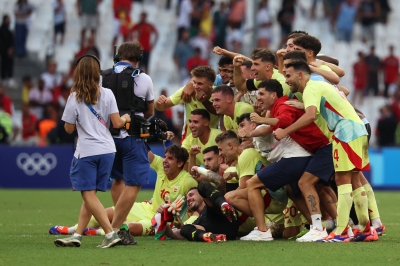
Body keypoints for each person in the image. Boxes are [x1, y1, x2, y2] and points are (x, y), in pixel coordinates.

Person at [275, 61, 376, 242]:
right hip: (356, 129)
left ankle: (342, 231)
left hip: (345, 131)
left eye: (288, 75)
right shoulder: (319, 85)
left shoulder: (310, 87)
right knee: (353, 179)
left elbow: (311, 115)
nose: (286, 79)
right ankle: (366, 229)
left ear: (300, 74)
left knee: (342, 179)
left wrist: (285, 131)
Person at [54, 55, 130, 248]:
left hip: (87, 150)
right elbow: (116, 123)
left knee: (87, 194)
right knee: (91, 194)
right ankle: (78, 235)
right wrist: (126, 117)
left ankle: (110, 233)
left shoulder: (74, 96)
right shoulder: (108, 94)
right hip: (107, 150)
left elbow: (69, 129)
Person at [49, 145, 198, 237]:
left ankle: (95, 232)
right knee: (107, 213)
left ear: (179, 163)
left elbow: (195, 203)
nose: (165, 160)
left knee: (130, 229)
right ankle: (72, 230)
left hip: (162, 220)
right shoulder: (160, 167)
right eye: (165, 157)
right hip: (146, 207)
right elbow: (145, 153)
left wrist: (182, 221)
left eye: (170, 158)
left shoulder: (187, 181)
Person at [101, 41, 154, 245]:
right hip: (133, 136)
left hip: (108, 136)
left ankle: (121, 226)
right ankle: (116, 229)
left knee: (118, 179)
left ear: (117, 56)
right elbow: (149, 110)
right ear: (138, 58)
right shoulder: (143, 78)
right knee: (134, 182)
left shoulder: (102, 76)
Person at [155, 66, 218, 141]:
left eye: (200, 84)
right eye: (194, 82)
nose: (196, 86)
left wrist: (204, 101)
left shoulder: (218, 94)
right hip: (189, 140)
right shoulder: (187, 91)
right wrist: (158, 103)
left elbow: (217, 112)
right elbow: (162, 106)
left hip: (212, 140)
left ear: (210, 85)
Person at [0, 15, 15, 87]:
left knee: (9, 64)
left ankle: (9, 78)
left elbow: (11, 41)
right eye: (7, 19)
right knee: (4, 64)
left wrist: (11, 48)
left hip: (8, 50)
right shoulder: (2, 30)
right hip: (3, 51)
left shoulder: (9, 30)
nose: (9, 21)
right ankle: (4, 78)